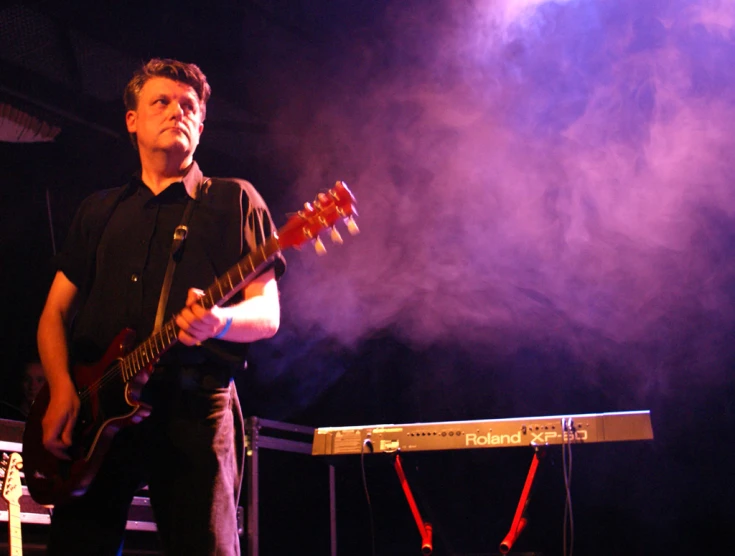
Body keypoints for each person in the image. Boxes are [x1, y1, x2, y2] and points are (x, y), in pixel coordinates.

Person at [36, 58, 284, 555]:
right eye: (162, 102)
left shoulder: (236, 200)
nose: (178, 112)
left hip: (196, 406)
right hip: (95, 407)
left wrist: (220, 322)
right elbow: (54, 314)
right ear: (132, 119)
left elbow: (268, 314)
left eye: (190, 106)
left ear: (202, 123)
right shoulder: (100, 209)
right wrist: (62, 389)